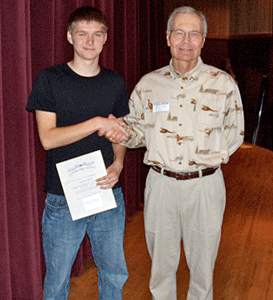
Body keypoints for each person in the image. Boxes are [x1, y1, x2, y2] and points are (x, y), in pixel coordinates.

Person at [123, 6, 244, 300]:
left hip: (205, 186)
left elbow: (234, 132)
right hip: (161, 185)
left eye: (194, 34)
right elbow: (138, 131)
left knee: (202, 268)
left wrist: (202, 160)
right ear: (167, 37)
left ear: (203, 40)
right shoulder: (148, 85)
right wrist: (119, 131)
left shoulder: (223, 84)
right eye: (179, 32)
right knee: (161, 267)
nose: (186, 41)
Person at [26, 6, 129, 300]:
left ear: (105, 38)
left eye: (97, 34)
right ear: (70, 37)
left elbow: (119, 134)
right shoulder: (49, 79)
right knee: (57, 281)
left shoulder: (115, 82)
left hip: (107, 193)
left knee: (114, 274)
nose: (89, 41)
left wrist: (119, 164)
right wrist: (97, 122)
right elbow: (48, 138)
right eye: (82, 34)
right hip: (63, 197)